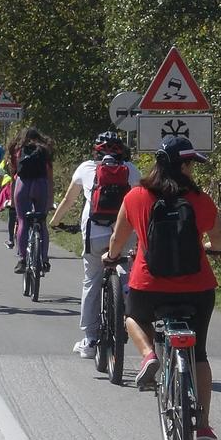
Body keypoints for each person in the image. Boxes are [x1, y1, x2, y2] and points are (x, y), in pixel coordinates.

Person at [104, 135, 221, 440]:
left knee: (132, 316)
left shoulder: (136, 197)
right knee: (199, 353)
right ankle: (203, 426)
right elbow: (217, 241)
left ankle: (148, 356)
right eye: (190, 164)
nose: (192, 170)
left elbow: (118, 240)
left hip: (150, 285)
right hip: (197, 289)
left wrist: (112, 256)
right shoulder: (202, 200)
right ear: (183, 166)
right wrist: (213, 248)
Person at [49, 132, 141, 358]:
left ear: (96, 151)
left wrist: (55, 221)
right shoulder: (131, 170)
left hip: (95, 235)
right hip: (124, 232)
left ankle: (90, 341)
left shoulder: (85, 168)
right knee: (127, 274)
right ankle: (129, 316)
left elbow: (69, 199)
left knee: (91, 281)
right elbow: (141, 199)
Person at [9, 127, 55, 273]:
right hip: (41, 185)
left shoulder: (18, 151)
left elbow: (14, 175)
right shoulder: (44, 151)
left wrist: (11, 199)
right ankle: (44, 259)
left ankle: (22, 260)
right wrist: (50, 198)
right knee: (42, 222)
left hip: (23, 185)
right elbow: (49, 176)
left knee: (22, 220)